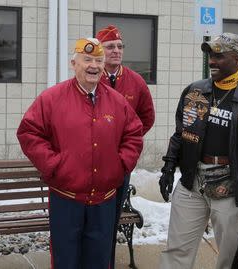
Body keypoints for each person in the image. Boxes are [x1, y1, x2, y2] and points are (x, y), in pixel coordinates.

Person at [17, 37, 143, 269]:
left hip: (103, 201)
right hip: (66, 198)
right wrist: (55, 165)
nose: (93, 66)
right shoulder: (51, 99)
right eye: (87, 60)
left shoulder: (117, 102)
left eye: (98, 60)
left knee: (99, 260)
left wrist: (120, 165)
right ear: (73, 64)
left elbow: (133, 135)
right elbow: (29, 133)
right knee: (66, 260)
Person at [158, 33, 238, 269]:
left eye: (219, 56)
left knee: (230, 256)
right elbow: (181, 133)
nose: (212, 61)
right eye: (210, 55)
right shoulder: (195, 92)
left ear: (237, 59)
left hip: (231, 188)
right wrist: (168, 167)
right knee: (176, 250)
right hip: (192, 183)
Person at [96, 24, 155, 268]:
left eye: (120, 47)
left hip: (121, 164)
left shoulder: (135, 81)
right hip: (91, 160)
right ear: (100, 50)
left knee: (112, 219)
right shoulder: (90, 74)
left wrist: (128, 146)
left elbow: (147, 117)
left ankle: (106, 261)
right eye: (110, 47)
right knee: (95, 218)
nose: (116, 51)